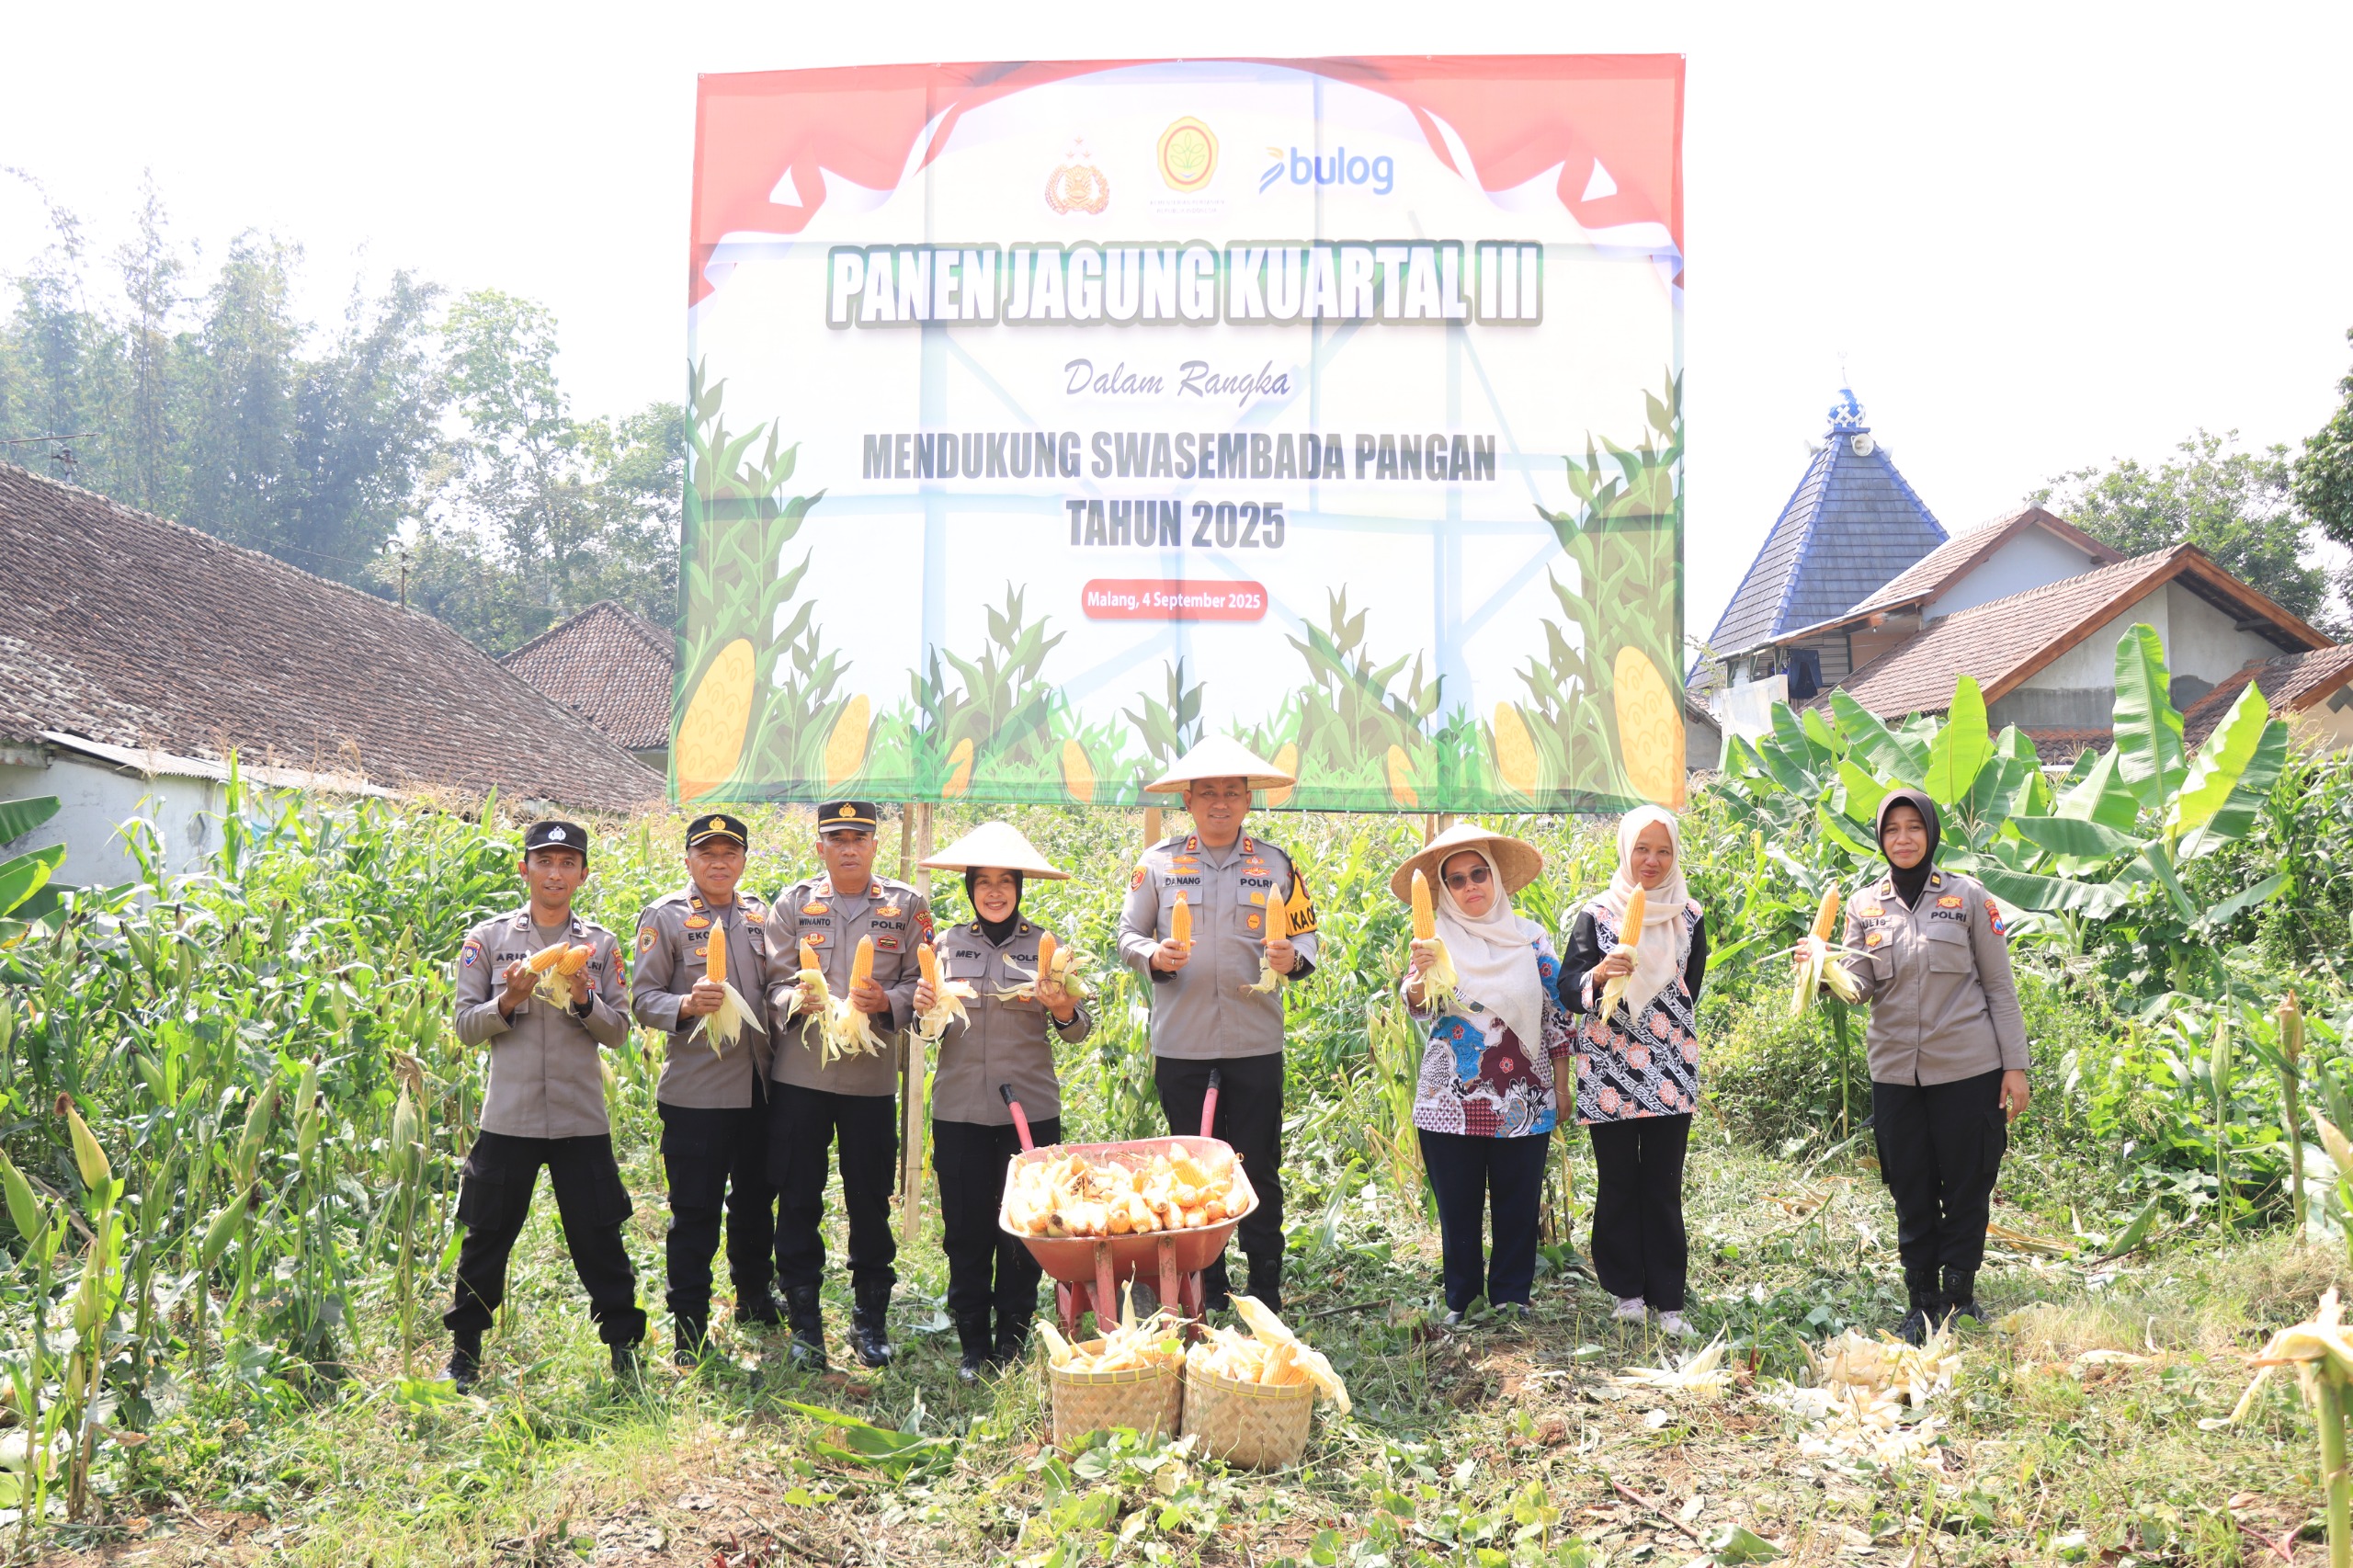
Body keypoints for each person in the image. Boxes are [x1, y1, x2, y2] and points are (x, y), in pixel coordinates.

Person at [1802, 788, 2029, 1345]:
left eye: (1913, 828)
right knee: (1910, 1184)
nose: (1903, 839)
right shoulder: (1863, 906)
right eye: (1891, 830)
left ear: (1931, 832)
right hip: (1897, 1073)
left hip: (1969, 1068)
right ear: (1880, 839)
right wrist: (1823, 969)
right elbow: (1861, 989)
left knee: (1969, 1180)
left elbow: (1999, 986)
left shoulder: (1969, 898)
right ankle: (1921, 1298)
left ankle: (1960, 1294)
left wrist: (2015, 1067)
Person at [1117, 735, 1318, 1315]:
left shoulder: (1277, 864)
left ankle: (1266, 1288)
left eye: (1232, 791)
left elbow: (1306, 938)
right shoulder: (1157, 864)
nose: (1221, 802)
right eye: (1208, 792)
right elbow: (1127, 935)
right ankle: (1211, 1286)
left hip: (1255, 1042)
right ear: (1188, 799)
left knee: (1257, 1163)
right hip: (1182, 1044)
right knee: (1193, 1168)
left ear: (1249, 799)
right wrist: (1153, 955)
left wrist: (1291, 959)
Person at [445, 819, 644, 1389]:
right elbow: (464, 1026)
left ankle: (624, 1348)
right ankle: (465, 1352)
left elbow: (618, 1032)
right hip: (510, 1117)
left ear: (582, 873)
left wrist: (584, 998)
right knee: (487, 1235)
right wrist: (507, 998)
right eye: (544, 861)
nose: (555, 873)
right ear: (524, 867)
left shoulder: (600, 946)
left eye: (567, 863)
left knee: (598, 1235)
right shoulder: (487, 940)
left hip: (581, 1119)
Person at [912, 821, 1092, 1382]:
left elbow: (1079, 1029)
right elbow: (926, 1033)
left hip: (1029, 1109)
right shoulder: (945, 946)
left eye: (1005, 882)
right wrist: (925, 1007)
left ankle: (1013, 1336)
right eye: (983, 882)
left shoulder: (1045, 947)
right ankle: (972, 1342)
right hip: (961, 1109)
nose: (994, 892)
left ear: (1018, 887)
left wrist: (1061, 1006)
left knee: (1024, 1227)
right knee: (965, 1229)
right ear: (969, 888)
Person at [762, 800, 931, 1369]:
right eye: (838, 838)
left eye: (860, 836)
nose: (850, 847)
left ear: (876, 844)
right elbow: (772, 983)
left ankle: (869, 1318)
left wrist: (889, 1000)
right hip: (802, 1074)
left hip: (870, 1079)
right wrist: (795, 998)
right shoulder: (794, 904)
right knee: (799, 1197)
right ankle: (805, 1320)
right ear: (821, 847)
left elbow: (920, 982)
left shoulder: (906, 906)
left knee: (869, 1201)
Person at [1394, 824, 1568, 1324]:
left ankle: (1513, 1295)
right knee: (1459, 1210)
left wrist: (1561, 1085)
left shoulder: (1531, 937)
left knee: (1518, 1203)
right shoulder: (1433, 940)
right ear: (1445, 891)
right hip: (1449, 1098)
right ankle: (1462, 1300)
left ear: (1494, 878)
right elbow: (1420, 1007)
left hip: (1525, 1096)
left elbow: (1556, 1015)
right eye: (1456, 880)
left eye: (1478, 875)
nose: (1471, 887)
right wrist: (1423, 971)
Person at [631, 812, 779, 1367]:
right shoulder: (666, 918)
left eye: (730, 853)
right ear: (689, 859)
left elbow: (776, 989)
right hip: (696, 1093)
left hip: (757, 1086)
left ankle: (753, 1295)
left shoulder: (761, 916)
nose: (720, 863)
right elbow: (641, 1000)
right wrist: (687, 1005)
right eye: (707, 853)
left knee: (755, 1202)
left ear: (742, 860)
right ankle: (689, 1323)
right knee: (694, 1210)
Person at [1560, 806, 1710, 1339]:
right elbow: (1567, 987)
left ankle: (1669, 1299)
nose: (1652, 860)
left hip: (1669, 1065)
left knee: (1664, 1183)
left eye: (1663, 850)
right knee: (1619, 1181)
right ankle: (1627, 1292)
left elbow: (1689, 984)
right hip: (1610, 1066)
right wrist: (1600, 973)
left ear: (1674, 856)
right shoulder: (1597, 915)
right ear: (1625, 851)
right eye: (1642, 849)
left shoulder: (1688, 915)